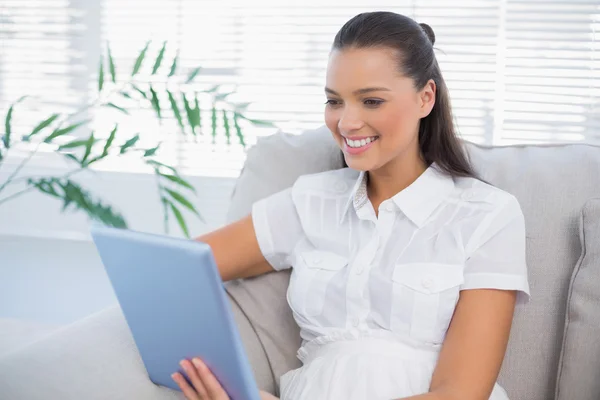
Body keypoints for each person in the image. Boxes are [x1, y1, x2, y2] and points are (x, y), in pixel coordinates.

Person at [171, 11, 530, 400]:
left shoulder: (487, 214)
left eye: (371, 101)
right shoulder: (310, 201)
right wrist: (236, 386)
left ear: (426, 97)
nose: (346, 122)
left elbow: (459, 395)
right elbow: (174, 270)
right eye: (334, 101)